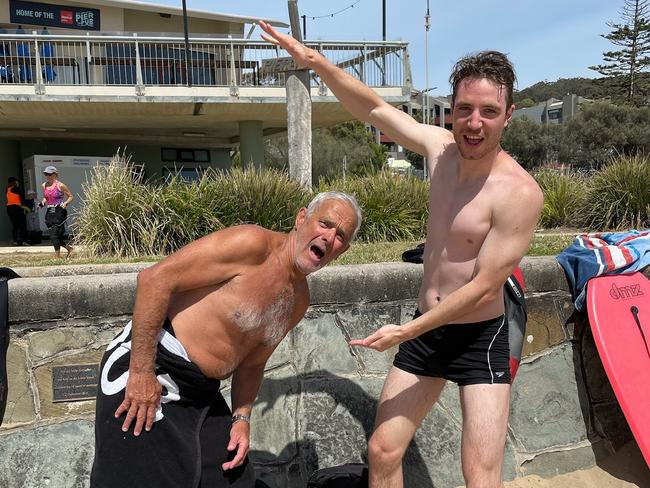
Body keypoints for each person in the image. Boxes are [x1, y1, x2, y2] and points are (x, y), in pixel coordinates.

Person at [260, 21, 543, 488]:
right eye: (464, 109)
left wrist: (407, 330)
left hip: (480, 337)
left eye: (488, 111)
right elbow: (371, 107)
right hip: (425, 331)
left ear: (508, 115)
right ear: (450, 110)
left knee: (481, 471)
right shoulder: (438, 148)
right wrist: (315, 62)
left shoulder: (519, 193)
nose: (474, 123)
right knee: (383, 450)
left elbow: (484, 287)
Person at [90, 191, 362, 488]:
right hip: (152, 367)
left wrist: (241, 419)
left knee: (234, 481)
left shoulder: (298, 299)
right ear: (301, 219)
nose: (328, 237)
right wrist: (141, 373)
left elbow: (253, 363)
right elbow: (154, 280)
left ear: (342, 250)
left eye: (340, 235)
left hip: (201, 390)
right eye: (324, 223)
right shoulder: (251, 245)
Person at [38, 165, 73, 258]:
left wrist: (65, 203)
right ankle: (69, 249)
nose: (47, 176)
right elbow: (46, 197)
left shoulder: (60, 185)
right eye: (46, 174)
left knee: (53, 236)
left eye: (49, 174)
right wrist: (42, 203)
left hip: (59, 211)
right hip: (50, 211)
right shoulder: (44, 185)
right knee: (55, 236)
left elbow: (71, 196)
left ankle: (57, 257)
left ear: (55, 174)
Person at [5, 177, 28, 246]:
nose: (17, 182)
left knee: (15, 225)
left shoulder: (7, 189)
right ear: (15, 182)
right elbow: (22, 199)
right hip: (17, 208)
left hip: (9, 208)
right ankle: (24, 240)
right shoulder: (16, 189)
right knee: (22, 224)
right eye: (16, 181)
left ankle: (15, 240)